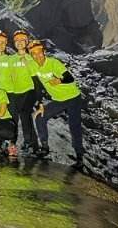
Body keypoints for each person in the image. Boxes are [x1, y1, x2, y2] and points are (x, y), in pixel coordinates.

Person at [29, 40, 85, 169]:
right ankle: (45, 148)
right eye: (34, 54)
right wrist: (41, 105)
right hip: (59, 99)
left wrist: (59, 80)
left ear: (43, 52)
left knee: (74, 126)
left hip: (73, 97)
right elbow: (37, 87)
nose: (37, 56)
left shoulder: (54, 63)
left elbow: (70, 78)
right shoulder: (32, 66)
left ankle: (79, 158)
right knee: (40, 118)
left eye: (39, 52)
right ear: (31, 56)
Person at [9, 29, 40, 155]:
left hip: (29, 91)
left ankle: (27, 143)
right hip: (17, 92)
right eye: (17, 40)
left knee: (24, 113)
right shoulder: (11, 59)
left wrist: (39, 97)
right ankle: (35, 145)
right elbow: (11, 76)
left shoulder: (31, 58)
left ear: (27, 42)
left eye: (22, 40)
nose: (19, 42)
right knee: (24, 116)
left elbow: (37, 78)